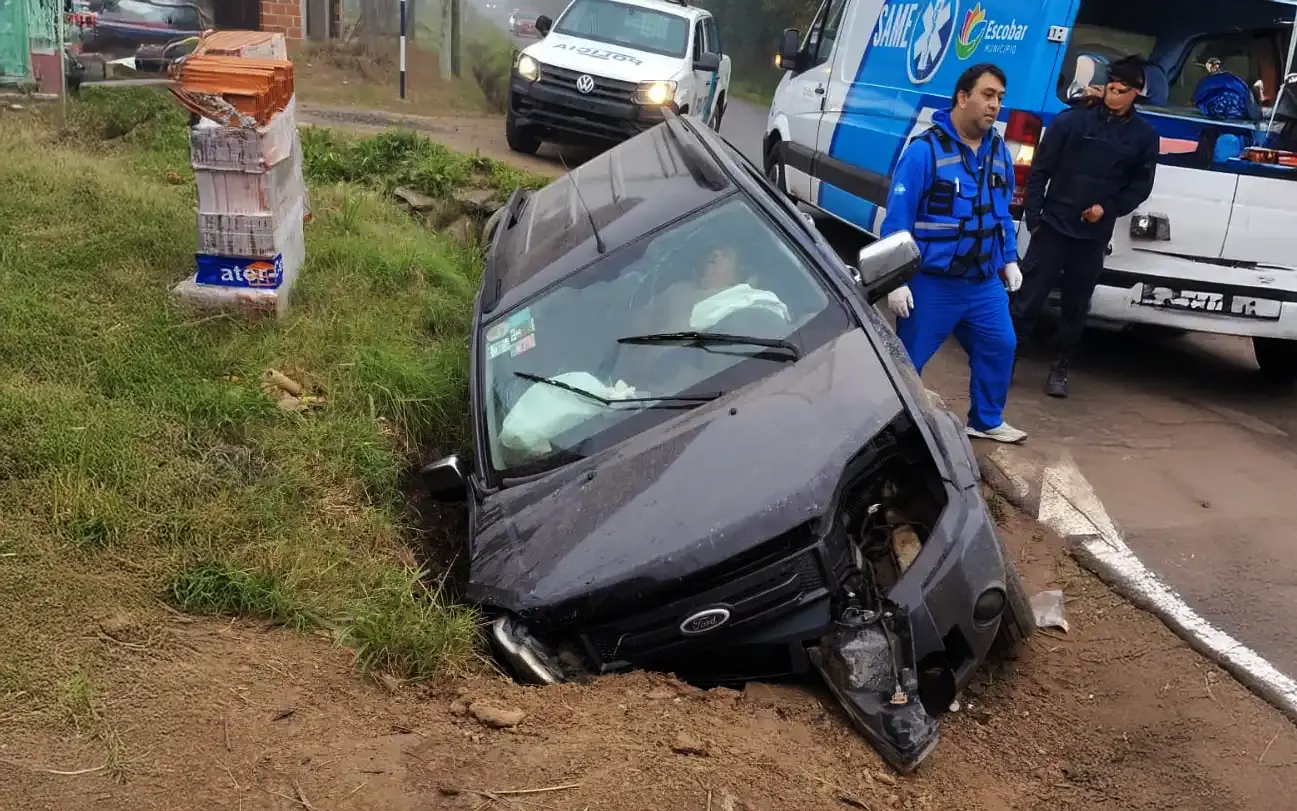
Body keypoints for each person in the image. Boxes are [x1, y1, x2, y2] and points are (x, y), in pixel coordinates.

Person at [882, 63, 1026, 445]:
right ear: (962, 97)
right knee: (907, 360)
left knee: (1001, 345)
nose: (995, 105)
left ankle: (986, 420)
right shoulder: (924, 152)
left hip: (982, 283)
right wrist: (895, 279)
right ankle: (892, 426)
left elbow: (1001, 212)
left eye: (1000, 98)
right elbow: (898, 220)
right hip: (933, 282)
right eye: (987, 95)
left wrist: (1009, 259)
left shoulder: (998, 152)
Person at [1011, 56, 1159, 398]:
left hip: (1092, 235)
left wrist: (1107, 209)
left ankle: (1061, 365)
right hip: (1052, 225)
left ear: (1135, 93)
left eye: (1123, 91)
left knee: (1076, 304)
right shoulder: (1072, 121)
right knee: (1029, 297)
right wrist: (1034, 218)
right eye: (1111, 88)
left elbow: (1140, 186)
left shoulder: (1144, 137)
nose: (1114, 96)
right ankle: (1009, 357)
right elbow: (1040, 170)